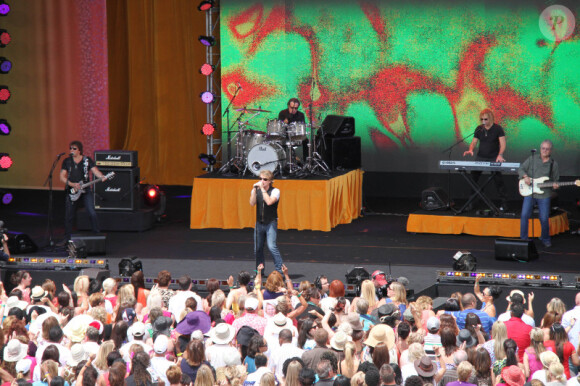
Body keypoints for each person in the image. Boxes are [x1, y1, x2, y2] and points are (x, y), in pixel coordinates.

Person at [60, 140, 107, 241]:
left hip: (85, 190)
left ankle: (97, 235)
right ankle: (66, 238)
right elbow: (62, 177)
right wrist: (72, 184)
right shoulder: (67, 161)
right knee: (69, 214)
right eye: (71, 148)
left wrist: (102, 176)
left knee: (91, 211)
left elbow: (95, 171)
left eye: (74, 148)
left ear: (80, 150)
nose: (72, 150)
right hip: (72, 190)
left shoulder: (87, 160)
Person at [463, 109, 509, 211]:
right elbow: (474, 142)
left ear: (491, 118)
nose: (483, 121)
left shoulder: (498, 129)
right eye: (481, 119)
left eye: (486, 119)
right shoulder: (479, 129)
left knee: (498, 180)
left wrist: (500, 155)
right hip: (481, 157)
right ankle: (471, 203)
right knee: (473, 178)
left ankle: (504, 203)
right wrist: (470, 149)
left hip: (493, 157)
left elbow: (503, 144)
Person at [518, 139, 559, 248]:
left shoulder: (553, 164)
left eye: (547, 149)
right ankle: (524, 239)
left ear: (551, 150)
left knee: (544, 218)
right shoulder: (532, 158)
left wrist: (555, 185)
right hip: (530, 192)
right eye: (543, 148)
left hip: (544, 194)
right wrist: (525, 177)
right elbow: (521, 169)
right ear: (540, 149)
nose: (545, 150)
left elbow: (555, 180)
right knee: (524, 215)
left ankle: (545, 238)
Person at [249, 170, 283, 273]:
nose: (262, 181)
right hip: (259, 223)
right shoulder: (257, 190)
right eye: (260, 179)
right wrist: (254, 190)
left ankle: (280, 270)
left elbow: (269, 202)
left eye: (265, 179)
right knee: (257, 249)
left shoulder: (275, 191)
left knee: (272, 247)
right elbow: (252, 203)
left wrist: (262, 190)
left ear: (270, 181)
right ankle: (260, 270)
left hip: (270, 222)